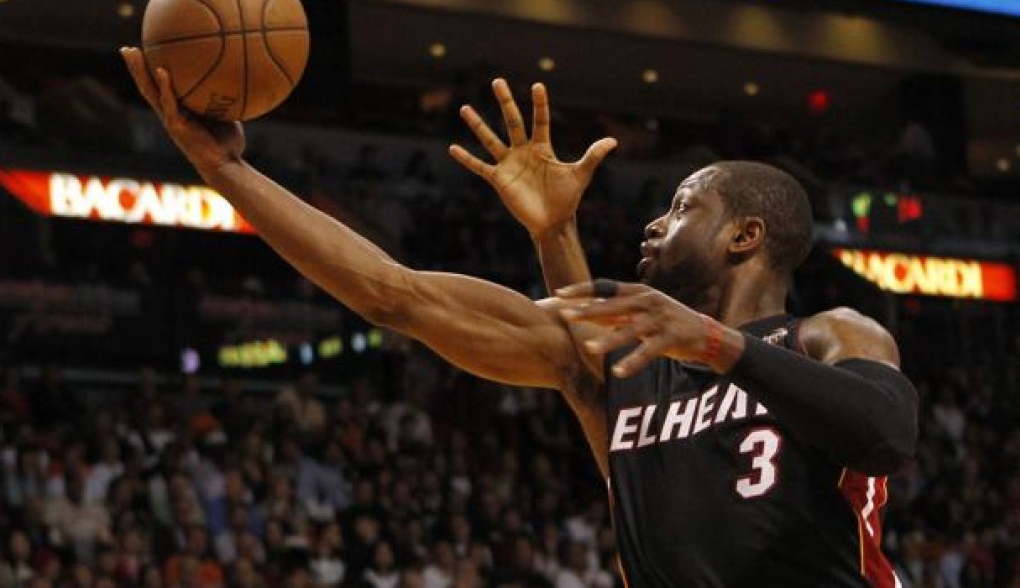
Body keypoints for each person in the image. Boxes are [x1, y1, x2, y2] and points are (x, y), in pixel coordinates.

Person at [121, 50, 917, 586]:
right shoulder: (621, 369)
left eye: (680, 208)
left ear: (747, 235)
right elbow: (394, 295)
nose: (653, 225)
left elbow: (885, 434)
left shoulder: (828, 335)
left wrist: (716, 343)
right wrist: (224, 168)